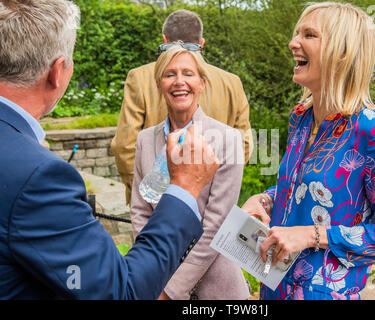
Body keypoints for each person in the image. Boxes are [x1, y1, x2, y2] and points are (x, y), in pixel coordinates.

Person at [0, 0, 219, 299]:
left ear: (203, 83)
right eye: (170, 74)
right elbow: (118, 292)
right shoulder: (39, 176)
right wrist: (183, 189)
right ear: (58, 71)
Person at [241, 2, 375, 300]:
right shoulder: (301, 117)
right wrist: (265, 200)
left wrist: (313, 235)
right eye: (297, 33)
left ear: (343, 52)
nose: (292, 42)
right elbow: (304, 188)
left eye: (309, 35)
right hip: (274, 289)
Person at [130, 43, 250, 300]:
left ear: (202, 83)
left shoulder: (228, 139)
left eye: (188, 73)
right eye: (170, 74)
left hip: (216, 285)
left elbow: (217, 224)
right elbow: (140, 212)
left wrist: (170, 290)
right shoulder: (144, 140)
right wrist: (151, 272)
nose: (179, 81)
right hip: (156, 278)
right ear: (159, 84)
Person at [110, 9, 253, 205]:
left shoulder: (140, 77)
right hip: (215, 203)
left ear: (164, 39)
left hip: (155, 207)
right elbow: (243, 145)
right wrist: (217, 188)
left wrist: (150, 196)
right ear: (202, 43)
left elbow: (124, 146)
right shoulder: (232, 82)